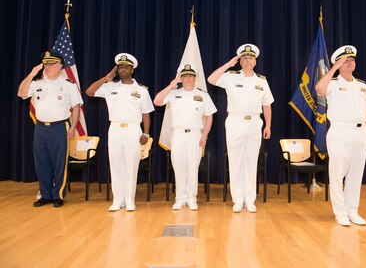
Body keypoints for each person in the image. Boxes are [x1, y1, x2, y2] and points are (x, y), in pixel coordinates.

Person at [315, 45, 366, 226]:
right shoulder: (332, 84)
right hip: (339, 132)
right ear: (339, 64)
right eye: (346, 60)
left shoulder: (362, 86)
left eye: (352, 60)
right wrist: (333, 68)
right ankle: (340, 212)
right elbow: (319, 88)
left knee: (356, 174)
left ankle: (352, 211)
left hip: (361, 133)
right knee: (337, 173)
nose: (350, 62)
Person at [208, 44, 274, 213]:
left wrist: (268, 125)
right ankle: (237, 199)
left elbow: (267, 104)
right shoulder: (231, 76)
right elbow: (211, 79)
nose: (247, 60)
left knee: (251, 162)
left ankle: (250, 200)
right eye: (244, 58)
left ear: (255, 61)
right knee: (236, 161)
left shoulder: (262, 81)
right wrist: (228, 64)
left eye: (250, 58)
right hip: (235, 122)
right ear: (240, 60)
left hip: (254, 123)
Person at [86, 53, 154, 212]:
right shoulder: (110, 87)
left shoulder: (141, 90)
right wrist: (105, 79)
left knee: (131, 165)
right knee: (115, 165)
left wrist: (146, 134)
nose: (123, 69)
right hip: (115, 129)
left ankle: (130, 200)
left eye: (127, 67)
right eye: (121, 67)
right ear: (117, 69)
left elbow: (146, 114)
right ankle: (118, 200)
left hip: (133, 129)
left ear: (132, 70)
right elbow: (89, 92)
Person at [17, 51, 83, 208]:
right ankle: (45, 195)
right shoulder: (37, 83)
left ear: (60, 66)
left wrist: (73, 127)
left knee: (60, 164)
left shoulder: (68, 85)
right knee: (42, 163)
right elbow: (21, 93)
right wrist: (32, 73)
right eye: (46, 64)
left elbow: (76, 107)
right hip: (40, 128)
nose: (48, 67)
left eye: (52, 64)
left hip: (60, 127)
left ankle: (58, 195)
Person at [154, 63, 217, 210]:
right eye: (184, 76)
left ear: (195, 78)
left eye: (190, 76)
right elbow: (157, 101)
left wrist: (205, 135)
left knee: (193, 168)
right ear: (180, 78)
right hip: (178, 134)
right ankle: (180, 198)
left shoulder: (203, 95)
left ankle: (192, 198)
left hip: (195, 135)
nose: (187, 78)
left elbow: (209, 117)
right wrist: (171, 85)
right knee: (179, 166)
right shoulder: (174, 93)